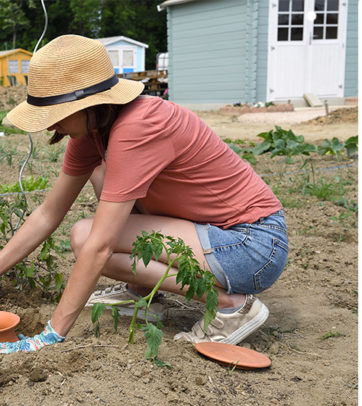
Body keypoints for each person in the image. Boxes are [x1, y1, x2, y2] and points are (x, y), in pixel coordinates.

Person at [0, 35, 288, 354]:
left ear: (88, 104)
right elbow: (47, 213)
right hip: (215, 236)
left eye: (55, 113)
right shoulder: (91, 132)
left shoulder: (138, 125)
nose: (47, 125)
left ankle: (232, 305)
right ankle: (140, 290)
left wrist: (49, 336)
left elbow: (101, 244)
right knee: (100, 177)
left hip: (253, 246)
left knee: (87, 238)